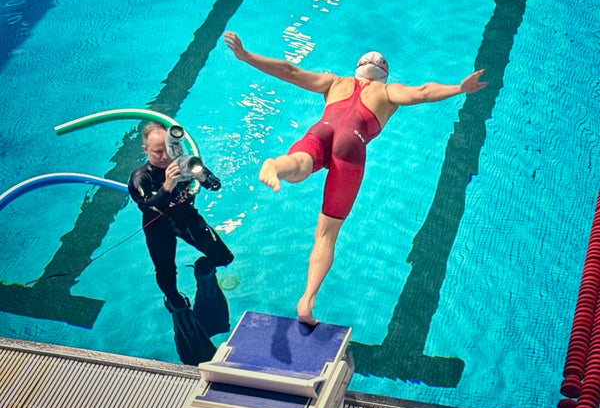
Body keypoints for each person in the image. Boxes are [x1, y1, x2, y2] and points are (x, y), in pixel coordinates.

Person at [224, 31, 486, 326]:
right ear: (382, 76)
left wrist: (246, 56)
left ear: (357, 70)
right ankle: (307, 301)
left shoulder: (335, 83)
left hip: (323, 128)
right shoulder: (387, 92)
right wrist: (458, 88)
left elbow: (290, 70)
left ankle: (277, 166)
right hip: (353, 145)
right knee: (326, 234)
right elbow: (423, 92)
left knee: (301, 162)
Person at [128, 122, 234, 350]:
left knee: (224, 258)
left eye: (167, 149)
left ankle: (202, 275)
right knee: (166, 272)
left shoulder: (184, 164)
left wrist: (198, 172)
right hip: (158, 227)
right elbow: (147, 207)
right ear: (144, 149)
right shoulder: (140, 178)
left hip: (186, 218)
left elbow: (215, 185)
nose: (165, 156)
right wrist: (168, 185)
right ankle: (176, 303)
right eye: (157, 152)